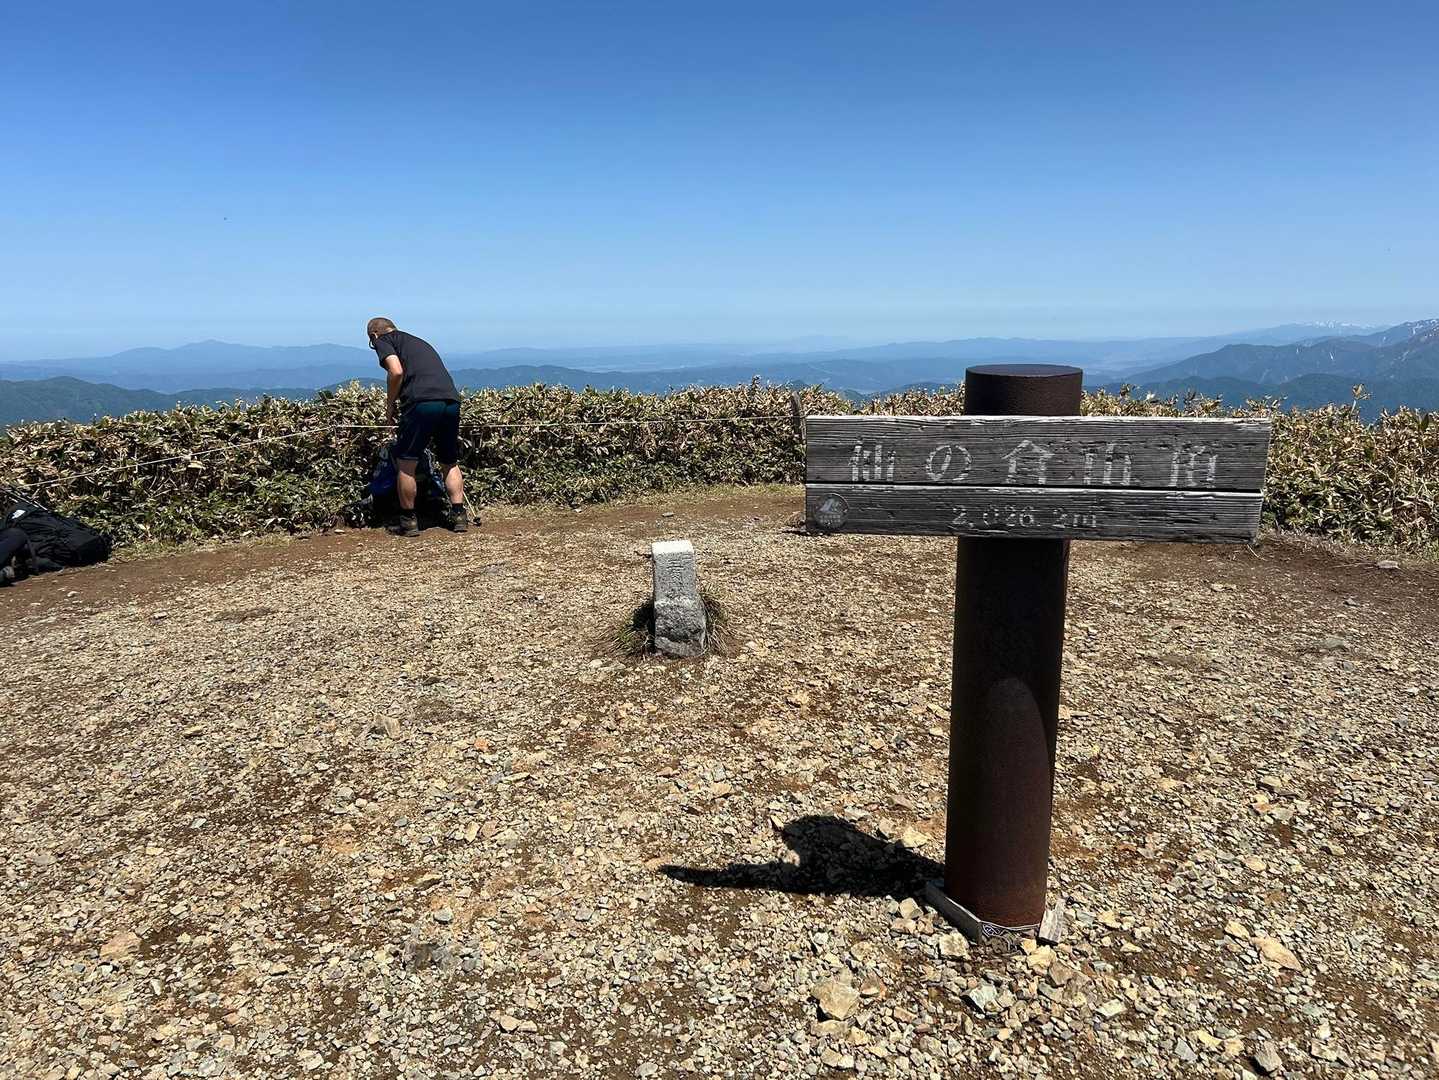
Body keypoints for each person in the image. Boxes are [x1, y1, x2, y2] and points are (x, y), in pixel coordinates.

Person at [366, 317, 470, 536]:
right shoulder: (416, 340)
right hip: (451, 400)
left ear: (374, 335)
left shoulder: (383, 340)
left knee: (406, 461)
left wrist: (390, 405)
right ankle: (459, 515)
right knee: (449, 461)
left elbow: (396, 371)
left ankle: (409, 521)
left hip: (421, 401)